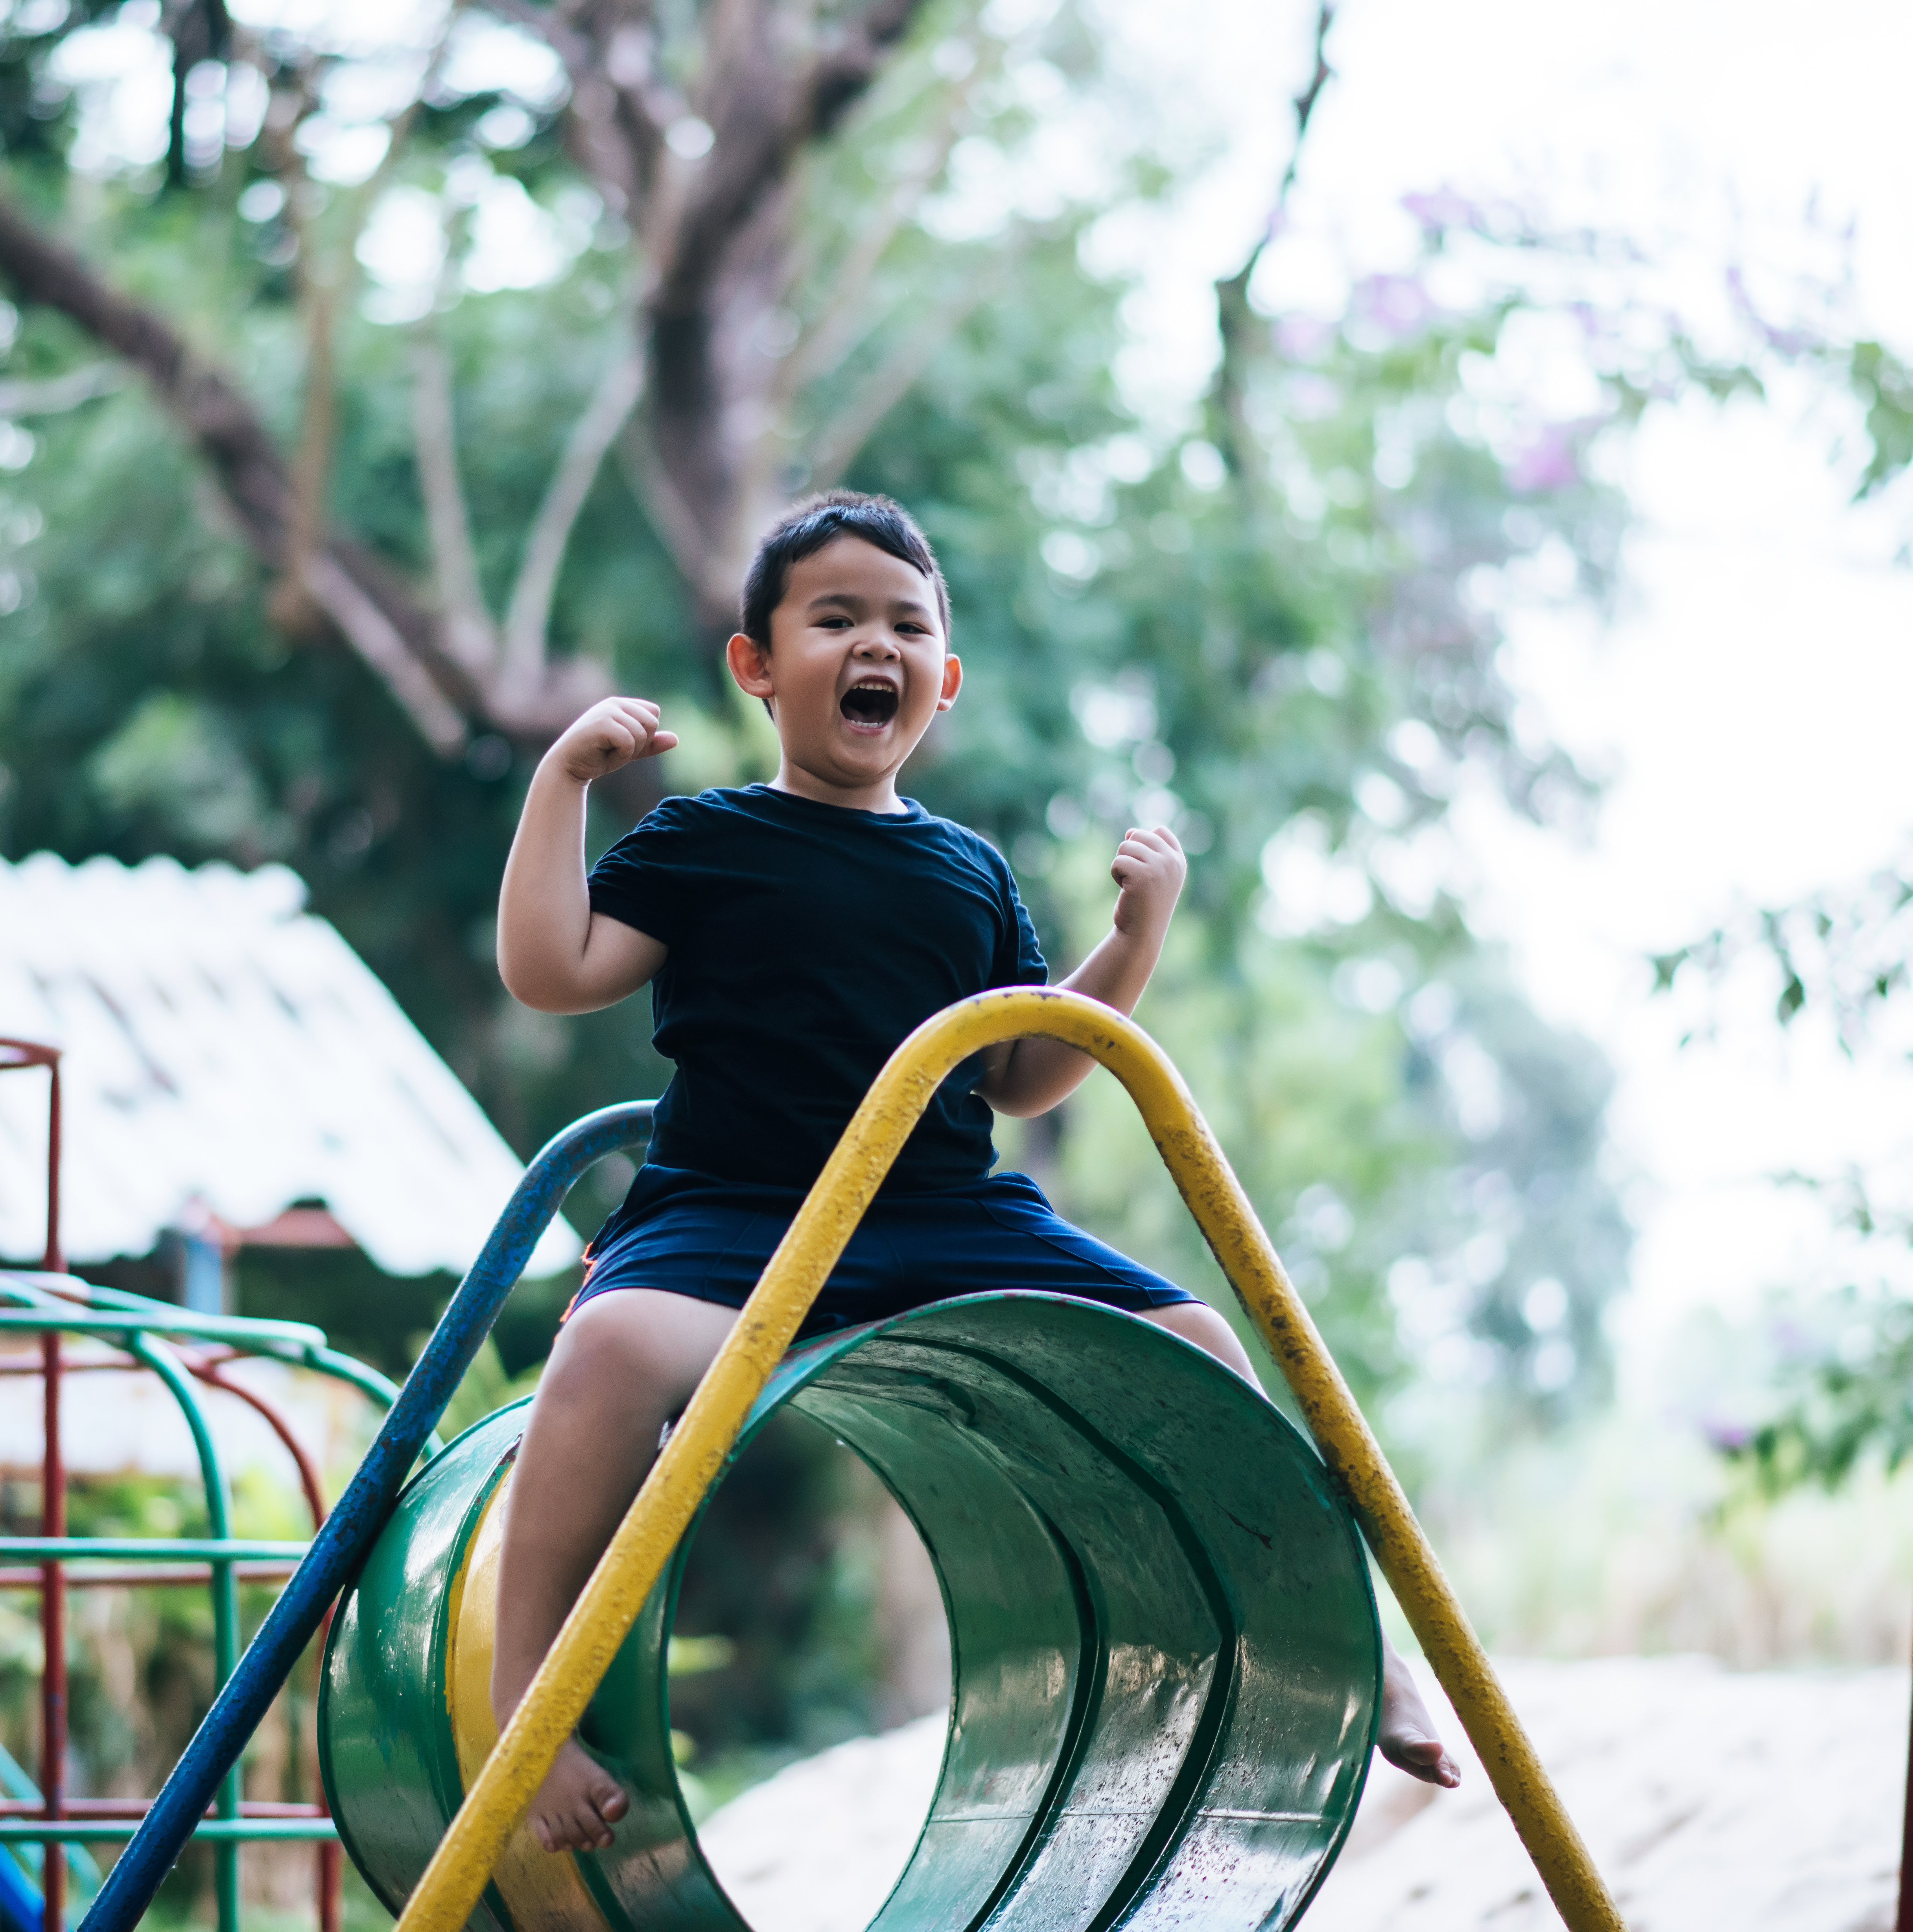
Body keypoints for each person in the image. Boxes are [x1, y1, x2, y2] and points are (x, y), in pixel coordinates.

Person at [492, 491, 1461, 1856]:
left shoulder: (968, 870)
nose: (871, 645)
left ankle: (1351, 1649)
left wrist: (1133, 940)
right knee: (602, 1349)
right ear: (756, 666)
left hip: (948, 1216)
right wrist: (564, 786)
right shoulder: (707, 842)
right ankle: (525, 1700)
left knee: (1192, 1335)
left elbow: (1020, 1072)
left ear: (941, 682)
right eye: (834, 620)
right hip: (737, 1218)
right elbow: (550, 972)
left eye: (905, 626)